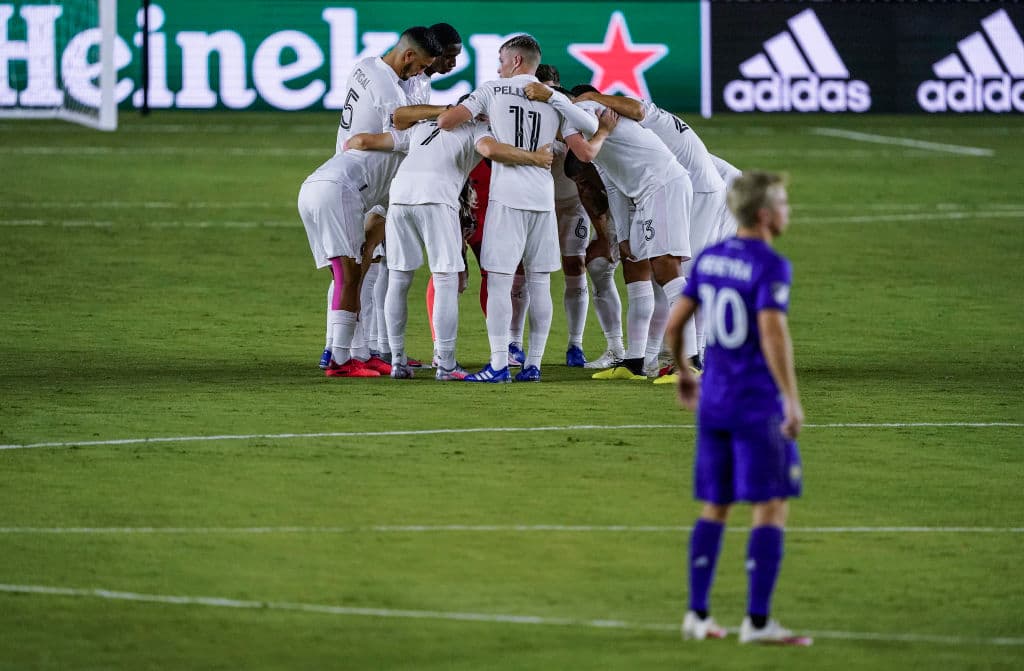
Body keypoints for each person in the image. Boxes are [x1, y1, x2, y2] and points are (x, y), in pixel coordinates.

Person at [664, 171, 811, 646]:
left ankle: (697, 615)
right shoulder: (770, 265)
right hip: (756, 405)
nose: (788, 211)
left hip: (715, 403)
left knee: (716, 505)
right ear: (765, 215)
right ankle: (758, 621)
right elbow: (772, 332)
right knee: (770, 505)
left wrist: (685, 371)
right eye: (783, 204)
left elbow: (676, 322)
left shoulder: (710, 258)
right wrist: (791, 398)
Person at [437, 35, 607, 382]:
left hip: (507, 199)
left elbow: (448, 121)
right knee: (540, 282)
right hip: (543, 200)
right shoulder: (553, 100)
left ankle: (499, 364)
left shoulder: (492, 89)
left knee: (500, 283)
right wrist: (554, 97)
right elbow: (591, 128)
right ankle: (534, 365)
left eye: (501, 60)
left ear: (515, 60)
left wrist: (480, 120)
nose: (499, 67)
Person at [347, 104, 553, 381]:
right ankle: (445, 363)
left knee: (399, 278)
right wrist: (535, 157)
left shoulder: (421, 128)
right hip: (438, 197)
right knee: (446, 279)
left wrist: (348, 150)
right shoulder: (478, 128)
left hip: (399, 197)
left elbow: (363, 140)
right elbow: (491, 150)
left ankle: (396, 360)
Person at [526, 82, 692, 382]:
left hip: (663, 185)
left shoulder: (581, 111)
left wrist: (601, 130)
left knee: (667, 268)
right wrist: (624, 236)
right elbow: (613, 185)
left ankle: (691, 362)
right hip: (644, 194)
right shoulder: (579, 122)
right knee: (639, 266)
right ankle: (634, 362)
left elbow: (587, 153)